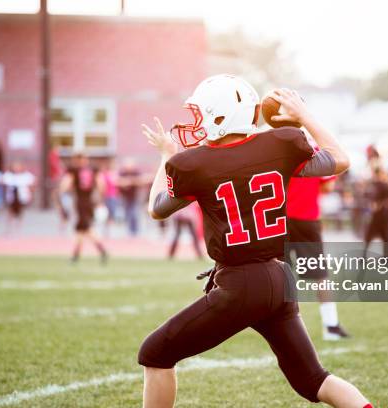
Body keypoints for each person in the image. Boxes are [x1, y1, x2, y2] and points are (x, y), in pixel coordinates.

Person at [138, 75, 372, 408]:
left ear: (220, 116)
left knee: (155, 353)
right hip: (279, 278)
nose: (197, 122)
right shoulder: (281, 143)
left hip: (240, 284)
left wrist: (166, 155)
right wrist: (305, 116)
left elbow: (157, 208)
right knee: (313, 379)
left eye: (202, 113)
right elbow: (341, 159)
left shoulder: (193, 164)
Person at [285, 172, 349, 340]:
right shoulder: (316, 151)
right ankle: (331, 325)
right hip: (306, 218)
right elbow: (328, 185)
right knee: (320, 273)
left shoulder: (279, 148)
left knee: (280, 274)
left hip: (281, 218)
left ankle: (282, 326)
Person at [60, 153, 108, 264]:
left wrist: (62, 193)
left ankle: (102, 251)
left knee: (86, 229)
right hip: (89, 202)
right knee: (81, 230)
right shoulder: (93, 169)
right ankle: (75, 255)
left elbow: (65, 185)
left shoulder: (74, 170)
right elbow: (101, 184)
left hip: (81, 202)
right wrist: (100, 198)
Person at [364, 167, 388, 257]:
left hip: (383, 216)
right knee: (370, 237)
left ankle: (386, 257)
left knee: (386, 238)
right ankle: (364, 256)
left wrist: (380, 205)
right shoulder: (375, 185)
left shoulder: (384, 186)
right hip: (377, 216)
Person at [3, 161, 35, 235]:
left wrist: (30, 194)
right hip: (11, 197)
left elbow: (32, 185)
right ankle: (9, 228)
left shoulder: (26, 176)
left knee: (20, 212)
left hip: (21, 197)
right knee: (10, 212)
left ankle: (18, 229)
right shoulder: (9, 175)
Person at [118, 158, 142, 236]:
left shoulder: (136, 172)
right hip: (124, 196)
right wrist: (124, 182)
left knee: (134, 213)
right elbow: (118, 181)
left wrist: (131, 181)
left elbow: (141, 181)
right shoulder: (122, 172)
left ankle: (134, 230)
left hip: (134, 196)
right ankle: (129, 229)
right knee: (127, 213)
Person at [99, 158, 120, 237]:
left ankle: (109, 229)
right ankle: (106, 229)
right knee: (108, 213)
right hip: (107, 196)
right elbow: (102, 186)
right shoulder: (105, 174)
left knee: (112, 212)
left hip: (114, 196)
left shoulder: (114, 173)